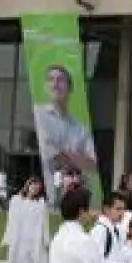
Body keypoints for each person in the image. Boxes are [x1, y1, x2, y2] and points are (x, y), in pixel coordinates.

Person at [33, 64, 98, 194]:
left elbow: (92, 165)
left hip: (72, 195)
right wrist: (77, 158)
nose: (55, 84)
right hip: (44, 193)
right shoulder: (38, 114)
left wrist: (63, 153)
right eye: (51, 79)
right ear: (46, 86)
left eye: (60, 80)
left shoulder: (80, 128)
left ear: (70, 88)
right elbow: (51, 154)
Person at [4, 178, 51, 263]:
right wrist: (10, 240)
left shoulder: (41, 204)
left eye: (38, 187)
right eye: (33, 185)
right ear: (28, 185)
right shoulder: (17, 201)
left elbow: (44, 224)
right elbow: (11, 222)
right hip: (21, 242)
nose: (35, 188)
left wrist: (46, 241)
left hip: (36, 242)